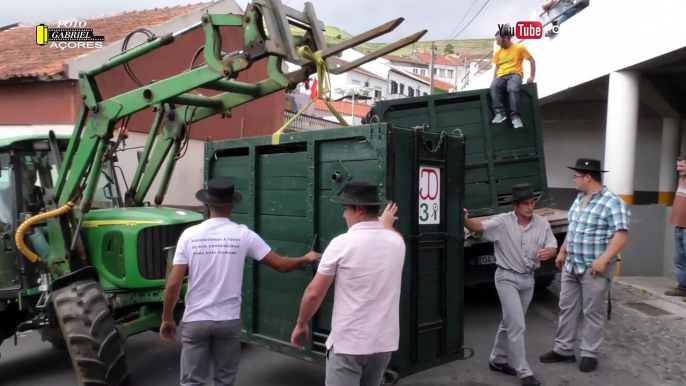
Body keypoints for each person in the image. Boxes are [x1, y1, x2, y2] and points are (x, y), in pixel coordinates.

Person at [160, 178, 321, 386]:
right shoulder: (243, 235)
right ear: (232, 205)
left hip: (196, 320)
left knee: (192, 381)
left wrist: (167, 318)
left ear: (207, 205)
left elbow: (173, 284)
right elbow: (281, 265)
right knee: (225, 381)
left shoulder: (189, 236)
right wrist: (305, 259)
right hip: (228, 321)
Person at [290, 180, 405, 386]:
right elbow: (392, 235)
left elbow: (313, 294)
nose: (344, 215)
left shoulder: (341, 244)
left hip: (349, 344)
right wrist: (386, 223)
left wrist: (301, 323)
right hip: (383, 343)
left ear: (359, 209)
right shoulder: (397, 242)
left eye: (345, 209)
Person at [540, 158, 630, 373]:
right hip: (572, 265)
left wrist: (603, 260)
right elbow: (574, 229)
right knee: (567, 308)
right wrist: (562, 251)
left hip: (594, 268)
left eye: (576, 176)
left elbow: (621, 235)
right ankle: (563, 349)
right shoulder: (580, 198)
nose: (573, 180)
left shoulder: (612, 202)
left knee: (593, 311)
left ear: (587, 177)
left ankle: (589, 353)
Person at [464, 183, 557, 386]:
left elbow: (552, 246)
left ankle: (497, 359)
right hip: (506, 277)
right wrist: (464, 219)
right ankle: (524, 372)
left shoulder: (542, 224)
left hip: (528, 279)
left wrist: (548, 252)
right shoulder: (502, 222)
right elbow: (478, 227)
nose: (530, 207)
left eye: (532, 202)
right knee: (517, 325)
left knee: (510, 322)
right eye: (525, 203)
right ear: (515, 205)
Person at [491, 23, 536, 129]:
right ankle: (499, 114)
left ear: (505, 38)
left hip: (515, 74)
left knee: (512, 88)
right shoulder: (498, 52)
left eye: (498, 40)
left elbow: (531, 60)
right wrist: (494, 80)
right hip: (501, 76)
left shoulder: (519, 48)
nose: (497, 43)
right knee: (493, 86)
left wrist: (532, 76)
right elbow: (497, 67)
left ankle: (516, 117)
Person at [666, 155, 686, 298]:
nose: (678, 169)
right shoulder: (681, 180)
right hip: (679, 225)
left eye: (681, 166)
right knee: (679, 258)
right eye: (678, 165)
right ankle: (683, 287)